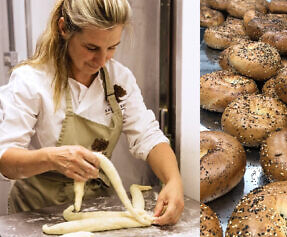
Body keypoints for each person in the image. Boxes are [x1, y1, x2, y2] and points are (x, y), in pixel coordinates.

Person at [0, 0, 184, 225]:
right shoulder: (31, 80)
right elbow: (6, 159)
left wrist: (173, 180)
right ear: (64, 28)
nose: (101, 60)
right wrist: (52, 158)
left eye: (112, 47)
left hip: (94, 209)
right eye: (91, 48)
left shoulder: (118, 80)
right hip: (34, 213)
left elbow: (148, 136)